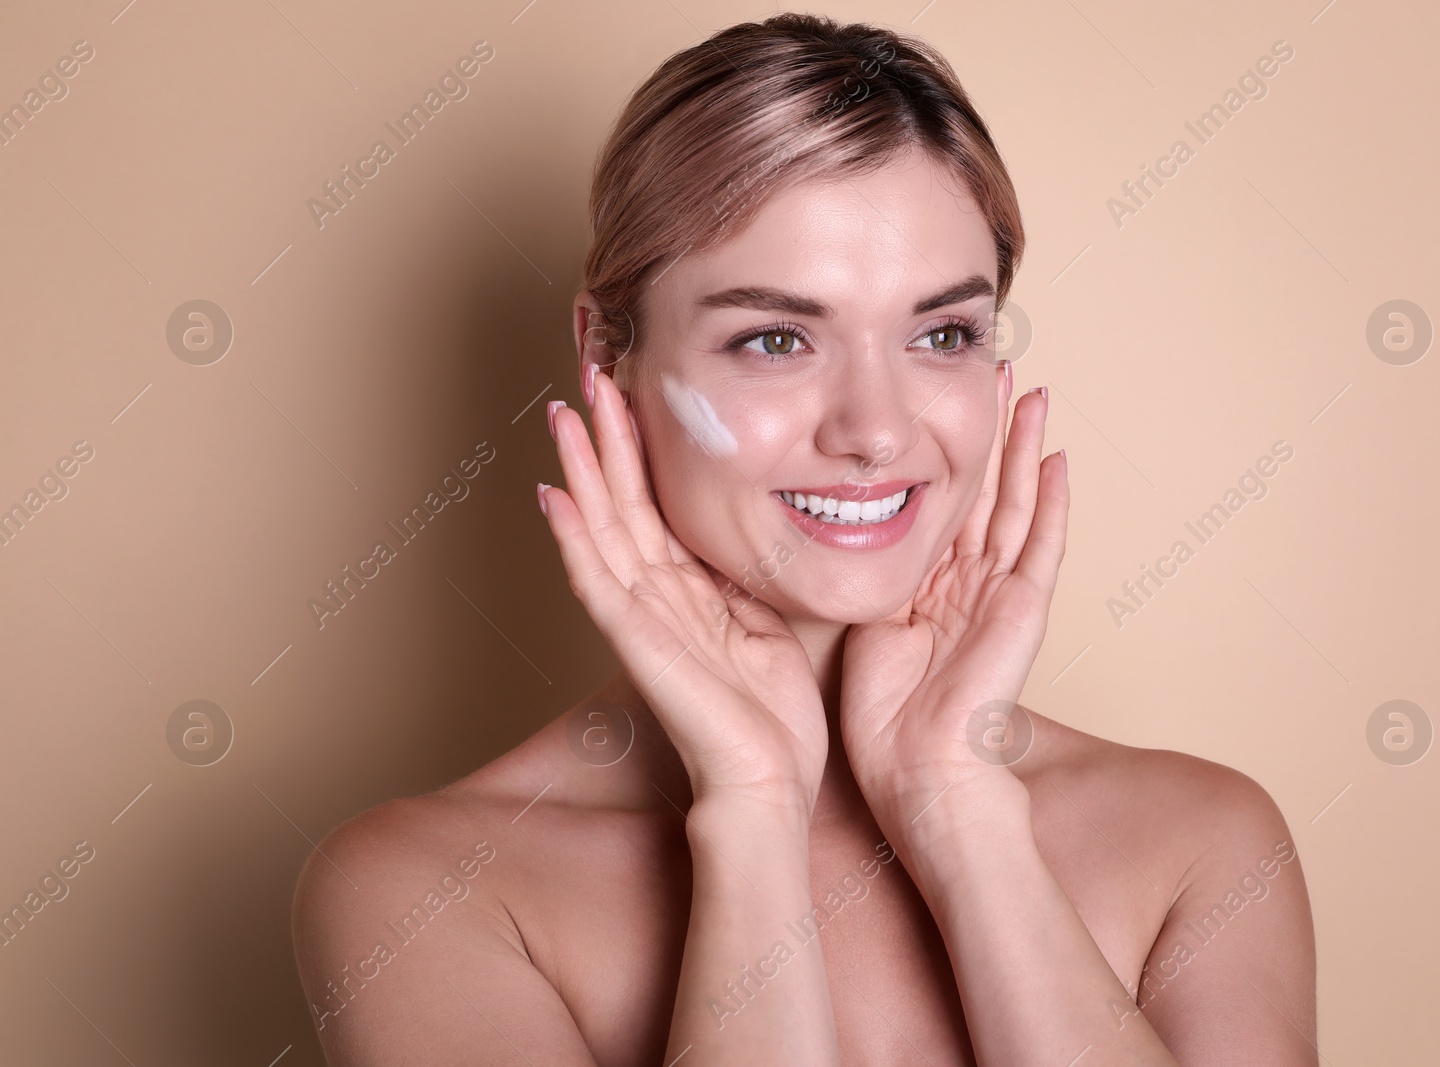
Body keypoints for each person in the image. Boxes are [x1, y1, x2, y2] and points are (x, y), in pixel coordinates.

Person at [291, 13, 1315, 1065]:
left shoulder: (1199, 842)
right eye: (775, 338)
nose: (874, 428)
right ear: (606, 354)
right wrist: (750, 813)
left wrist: (957, 807)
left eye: (943, 333)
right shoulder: (431, 890)